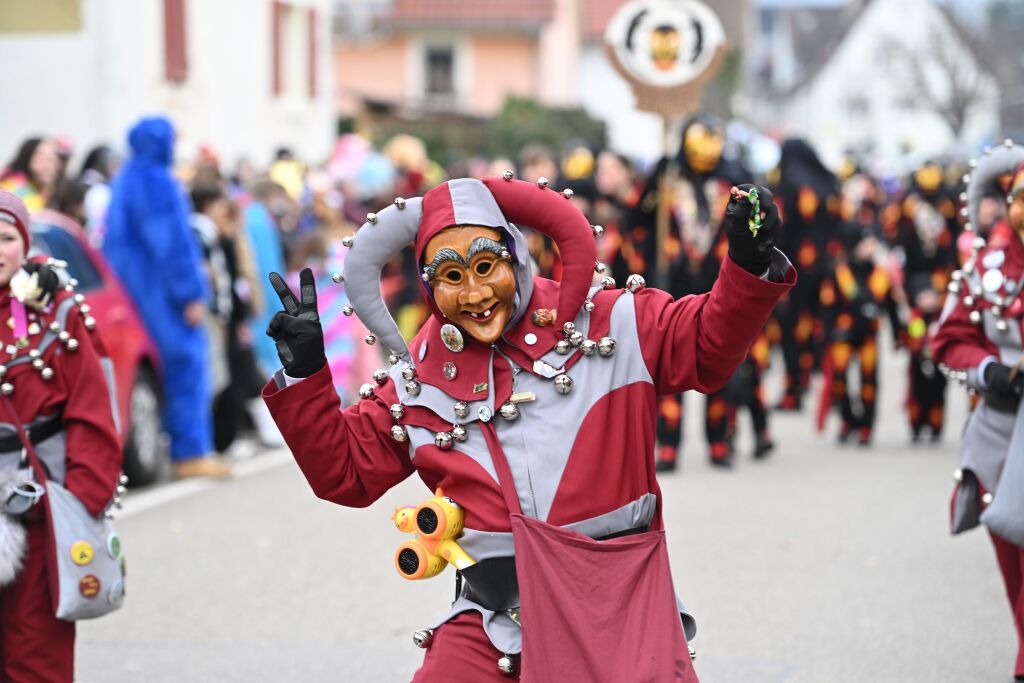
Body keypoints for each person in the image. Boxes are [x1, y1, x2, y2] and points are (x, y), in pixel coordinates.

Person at [262, 175, 794, 679]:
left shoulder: (611, 324)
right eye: (451, 277)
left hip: (616, 607)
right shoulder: (415, 381)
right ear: (428, 288)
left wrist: (746, 266)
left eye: (485, 266)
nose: (473, 295)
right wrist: (305, 373)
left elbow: (705, 346)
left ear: (516, 256)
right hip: (497, 621)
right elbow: (345, 474)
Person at [0, 190, 122, 681]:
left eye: (6, 238)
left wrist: (78, 503)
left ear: (25, 242)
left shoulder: (57, 312)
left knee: (35, 658)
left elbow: (92, 410)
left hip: (38, 510)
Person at [932, 145, 1024, 681]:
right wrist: (989, 371)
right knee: (1012, 552)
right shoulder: (984, 269)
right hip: (1000, 433)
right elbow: (949, 340)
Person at [102, 116, 228, 479]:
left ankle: (176, 448)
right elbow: (172, 244)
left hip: (132, 295)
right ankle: (190, 451)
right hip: (162, 297)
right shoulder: (158, 182)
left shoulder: (124, 179)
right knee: (186, 367)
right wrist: (189, 292)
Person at [772, 139, 842, 411]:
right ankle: (834, 390)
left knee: (791, 330)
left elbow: (781, 230)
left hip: (795, 270)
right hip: (827, 269)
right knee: (823, 328)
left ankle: (794, 389)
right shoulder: (829, 185)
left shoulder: (790, 186)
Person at [817, 223, 902, 445]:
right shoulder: (839, 272)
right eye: (866, 242)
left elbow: (891, 307)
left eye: (873, 241)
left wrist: (897, 334)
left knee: (869, 380)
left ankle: (866, 424)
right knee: (839, 380)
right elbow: (827, 307)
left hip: (869, 335)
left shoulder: (881, 274)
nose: (871, 246)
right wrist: (824, 336)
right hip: (842, 334)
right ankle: (847, 420)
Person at [0, 138, 61, 212]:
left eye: (54, 161)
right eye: (44, 159)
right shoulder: (12, 191)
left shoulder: (47, 190)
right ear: (28, 157)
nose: (49, 167)